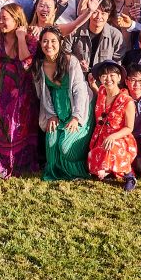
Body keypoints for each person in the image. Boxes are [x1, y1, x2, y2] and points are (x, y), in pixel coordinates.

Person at [0, 3, 41, 178]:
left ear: (16, 20)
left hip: (20, 87)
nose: (1, 21)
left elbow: (26, 62)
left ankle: (16, 163)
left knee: (16, 123)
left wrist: (20, 37)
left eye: (5, 18)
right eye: (0, 17)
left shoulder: (30, 39)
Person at [34, 27, 91, 181]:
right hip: (56, 110)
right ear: (40, 43)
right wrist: (51, 115)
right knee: (52, 144)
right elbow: (44, 95)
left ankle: (76, 172)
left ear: (60, 42)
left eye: (53, 41)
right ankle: (56, 172)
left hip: (77, 109)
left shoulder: (70, 61)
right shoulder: (39, 65)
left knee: (65, 148)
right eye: (45, 41)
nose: (49, 45)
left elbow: (80, 91)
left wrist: (76, 117)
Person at [87, 61, 139, 190]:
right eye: (104, 76)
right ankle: (108, 171)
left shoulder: (127, 101)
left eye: (112, 75)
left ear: (119, 77)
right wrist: (92, 85)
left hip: (120, 138)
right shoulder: (102, 92)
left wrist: (113, 137)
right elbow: (98, 91)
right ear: (100, 78)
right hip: (100, 136)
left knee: (112, 148)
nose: (108, 79)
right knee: (93, 163)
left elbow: (129, 128)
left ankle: (129, 176)